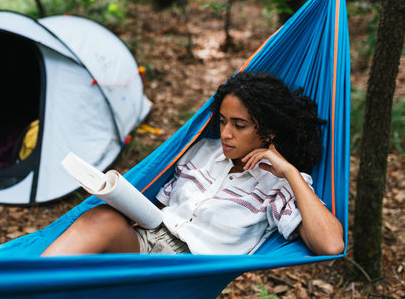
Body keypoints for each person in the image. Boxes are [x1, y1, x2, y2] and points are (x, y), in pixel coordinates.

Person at [42, 72, 345, 256]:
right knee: (101, 219)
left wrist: (290, 172)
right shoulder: (203, 150)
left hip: (187, 267)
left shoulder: (279, 185)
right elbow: (161, 209)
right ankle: (22, 283)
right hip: (147, 239)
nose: (225, 133)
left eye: (239, 125)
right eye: (223, 121)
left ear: (269, 131)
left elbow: (331, 245)